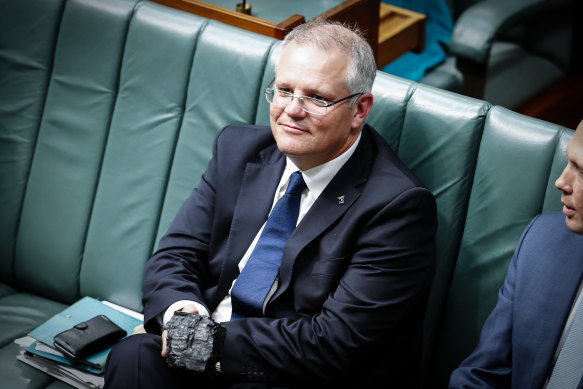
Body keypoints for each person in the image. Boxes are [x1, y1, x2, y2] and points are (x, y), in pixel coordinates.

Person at [105, 19, 437, 388]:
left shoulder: (397, 206)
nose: (292, 110)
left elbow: (336, 342)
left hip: (293, 374)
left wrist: (207, 343)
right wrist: (184, 317)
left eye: (316, 97)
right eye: (284, 90)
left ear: (359, 110)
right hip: (202, 348)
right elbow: (176, 256)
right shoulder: (238, 149)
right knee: (132, 356)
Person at [449, 119, 583, 388]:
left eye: (582, 172)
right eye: (568, 162)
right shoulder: (542, 241)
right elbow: (482, 374)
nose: (561, 181)